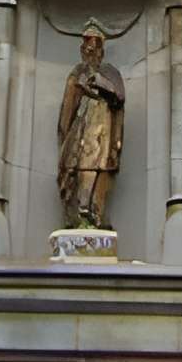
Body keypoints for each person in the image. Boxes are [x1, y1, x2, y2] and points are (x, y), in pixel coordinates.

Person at [56, 26, 125, 227]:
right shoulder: (77, 72)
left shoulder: (110, 72)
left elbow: (119, 95)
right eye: (87, 46)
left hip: (103, 129)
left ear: (101, 50)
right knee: (79, 166)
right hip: (82, 128)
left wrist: (100, 83)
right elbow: (68, 106)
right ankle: (79, 212)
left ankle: (95, 213)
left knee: (100, 167)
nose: (90, 50)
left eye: (94, 46)